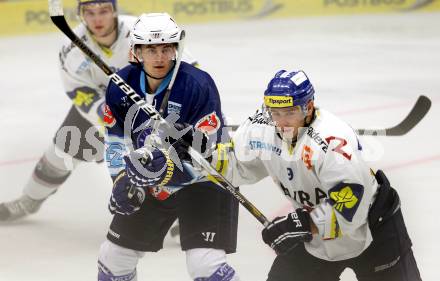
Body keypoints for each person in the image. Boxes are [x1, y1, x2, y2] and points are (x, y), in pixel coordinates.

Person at [164, 69, 422, 280]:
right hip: (314, 236)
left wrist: (299, 224)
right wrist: (200, 153)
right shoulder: (261, 127)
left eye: (290, 112)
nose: (282, 121)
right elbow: (237, 166)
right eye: (275, 113)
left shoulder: (333, 143)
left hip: (374, 230)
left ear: (308, 106)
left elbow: (348, 209)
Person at [0, 0, 197, 223]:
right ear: (81, 14)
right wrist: (111, 123)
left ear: (114, 11)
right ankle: (29, 200)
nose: (97, 19)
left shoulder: (141, 31)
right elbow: (80, 92)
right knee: (61, 153)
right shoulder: (71, 47)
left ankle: (182, 211)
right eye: (90, 13)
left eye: (103, 11)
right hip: (104, 110)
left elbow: (189, 69)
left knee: (166, 158)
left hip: (155, 107)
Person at [98, 12, 239, 281]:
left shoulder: (198, 84)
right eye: (151, 49)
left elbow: (208, 154)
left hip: (204, 182)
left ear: (176, 48)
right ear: (136, 51)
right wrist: (120, 179)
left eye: (166, 48)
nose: (160, 57)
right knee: (113, 258)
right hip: (152, 178)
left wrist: (167, 167)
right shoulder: (120, 85)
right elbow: (115, 140)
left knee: (205, 265)